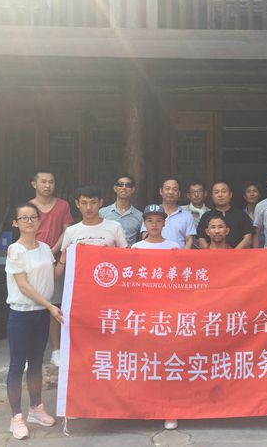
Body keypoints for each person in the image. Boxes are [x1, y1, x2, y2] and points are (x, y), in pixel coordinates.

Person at [5, 202, 63, 440]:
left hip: (40, 314)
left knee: (36, 363)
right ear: (15, 223)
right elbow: (24, 286)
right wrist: (50, 306)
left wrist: (67, 254)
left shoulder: (45, 248)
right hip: (21, 314)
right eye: (24, 218)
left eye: (33, 217)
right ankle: (16, 417)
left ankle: (36, 408)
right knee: (17, 365)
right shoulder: (15, 250)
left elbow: (53, 275)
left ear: (39, 221)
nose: (29, 221)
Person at [132, 204, 179, 429]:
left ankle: (170, 411)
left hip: (168, 314)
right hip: (144, 313)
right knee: (146, 363)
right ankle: (146, 407)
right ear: (144, 223)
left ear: (164, 223)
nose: (154, 225)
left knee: (167, 363)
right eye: (150, 220)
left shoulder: (174, 247)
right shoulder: (136, 248)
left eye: (158, 220)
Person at [28, 169, 73, 368]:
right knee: (32, 307)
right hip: (32, 261)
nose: (47, 185)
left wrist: (52, 250)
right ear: (34, 184)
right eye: (43, 181)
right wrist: (39, 252)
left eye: (51, 182)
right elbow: (25, 232)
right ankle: (31, 353)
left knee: (55, 306)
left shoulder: (63, 205)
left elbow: (67, 230)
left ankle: (56, 350)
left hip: (56, 260)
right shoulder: (28, 207)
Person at [57, 184, 127, 276]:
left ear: (100, 203)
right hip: (81, 280)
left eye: (93, 202)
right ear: (77, 204)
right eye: (84, 203)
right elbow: (65, 260)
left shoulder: (115, 227)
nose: (89, 207)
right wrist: (76, 250)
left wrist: (110, 253)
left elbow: (125, 257)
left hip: (107, 278)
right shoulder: (71, 231)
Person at [140, 178, 196, 249]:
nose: (171, 192)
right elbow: (144, 235)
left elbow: (189, 240)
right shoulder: (151, 212)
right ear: (161, 191)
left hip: (177, 254)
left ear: (179, 193)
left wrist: (183, 255)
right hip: (154, 254)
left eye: (174, 189)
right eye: (167, 188)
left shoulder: (187, 216)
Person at [196, 182, 253, 249]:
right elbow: (201, 238)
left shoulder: (241, 215)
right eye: (216, 192)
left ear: (230, 194)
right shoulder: (206, 216)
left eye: (223, 191)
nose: (220, 195)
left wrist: (233, 253)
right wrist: (210, 252)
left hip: (238, 254)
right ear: (212, 196)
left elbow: (248, 238)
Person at [99, 174, 143, 246]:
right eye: (120, 185)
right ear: (115, 188)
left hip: (128, 253)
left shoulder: (140, 216)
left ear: (133, 190)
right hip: (106, 252)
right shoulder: (102, 212)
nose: (124, 187)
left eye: (128, 185)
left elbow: (143, 241)